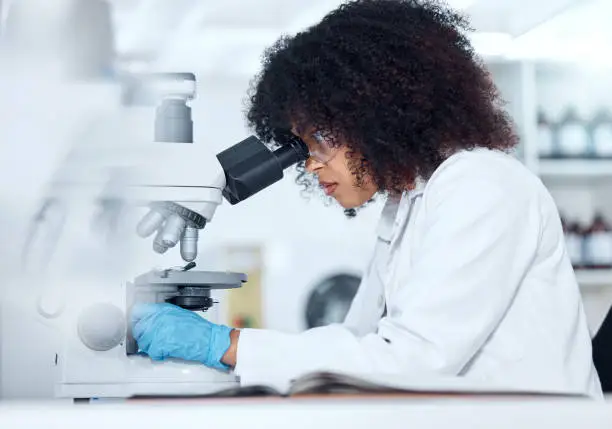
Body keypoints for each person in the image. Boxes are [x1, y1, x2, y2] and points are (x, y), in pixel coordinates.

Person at [131, 0, 602, 397]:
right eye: (300, 145)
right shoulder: (408, 202)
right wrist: (240, 354)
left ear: (381, 114)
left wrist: (225, 345)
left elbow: (412, 361)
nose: (309, 163)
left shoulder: (482, 186)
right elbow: (359, 343)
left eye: (319, 138)